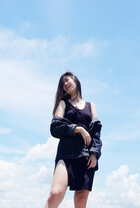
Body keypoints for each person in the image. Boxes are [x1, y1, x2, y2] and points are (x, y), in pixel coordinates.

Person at [44, 71, 102, 208]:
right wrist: (78, 129)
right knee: (55, 194)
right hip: (66, 154)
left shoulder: (91, 106)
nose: (65, 84)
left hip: (86, 156)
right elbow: (55, 127)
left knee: (81, 203)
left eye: (67, 80)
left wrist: (94, 154)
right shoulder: (63, 104)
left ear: (75, 80)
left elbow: (96, 133)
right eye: (62, 83)